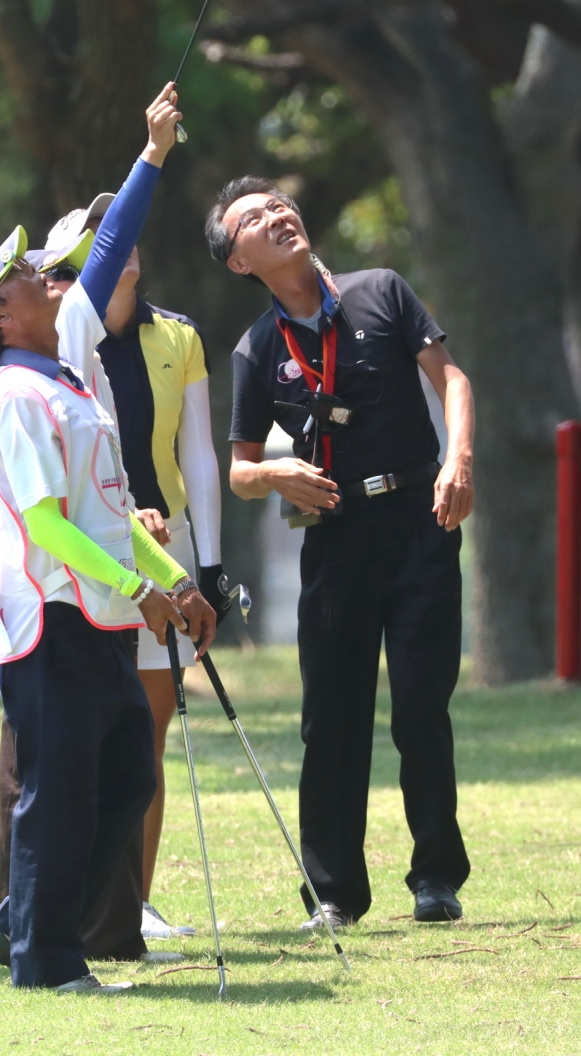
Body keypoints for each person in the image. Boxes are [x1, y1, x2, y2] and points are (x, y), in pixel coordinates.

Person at [0, 84, 217, 993]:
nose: (42, 277)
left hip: (100, 615)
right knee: (56, 795)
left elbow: (108, 506)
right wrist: (143, 592)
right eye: (22, 276)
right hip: (52, 616)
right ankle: (44, 959)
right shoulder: (15, 396)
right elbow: (51, 526)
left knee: (127, 780)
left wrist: (176, 577)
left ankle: (30, 924)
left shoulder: (65, 374)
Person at [206, 176, 474, 928]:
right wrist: (276, 473)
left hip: (421, 520)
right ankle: (332, 894)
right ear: (237, 261)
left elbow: (449, 379)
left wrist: (458, 461)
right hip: (334, 537)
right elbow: (239, 471)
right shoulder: (256, 348)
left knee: (422, 706)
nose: (277, 216)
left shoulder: (380, 290)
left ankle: (435, 880)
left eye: (278, 205)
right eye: (253, 219)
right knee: (331, 716)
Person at [45, 198, 230, 943]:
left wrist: (206, 565)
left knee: (146, 733)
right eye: (98, 238)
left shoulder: (177, 333)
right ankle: (90, 902)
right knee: (95, 731)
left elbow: (198, 453)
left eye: (121, 233)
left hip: (168, 546)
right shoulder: (61, 338)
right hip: (97, 548)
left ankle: (135, 901)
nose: (118, 246)